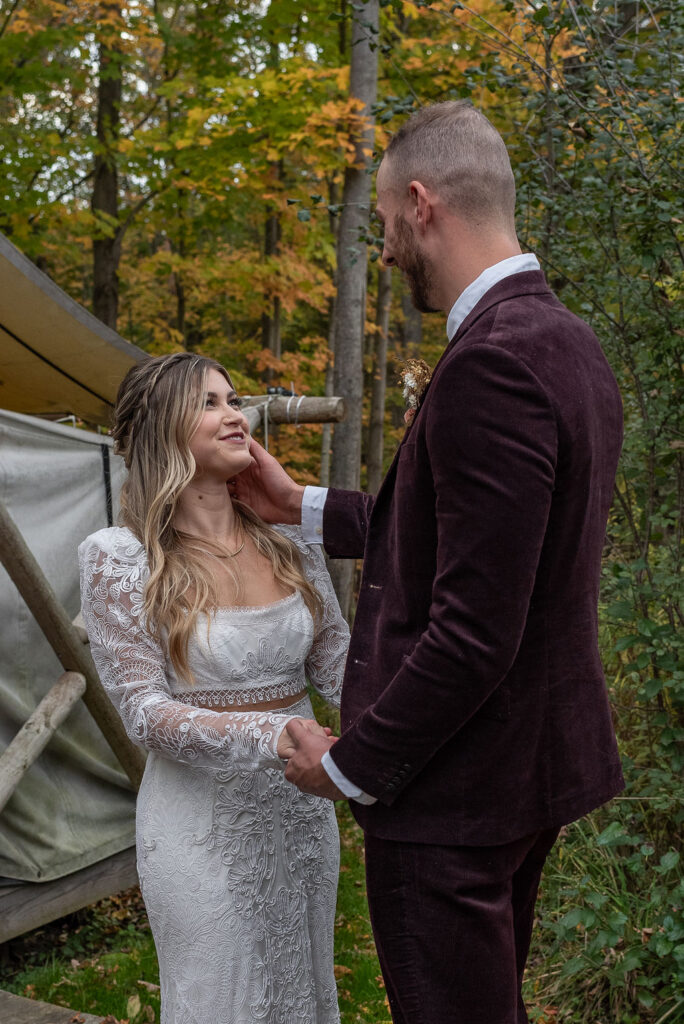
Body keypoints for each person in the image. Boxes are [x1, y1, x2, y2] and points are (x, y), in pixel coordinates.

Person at [232, 101, 624, 1024]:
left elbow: (474, 629)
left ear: (420, 204)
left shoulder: (493, 364)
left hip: (452, 795)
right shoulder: (566, 343)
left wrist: (351, 767)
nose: (388, 251)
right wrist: (303, 507)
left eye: (382, 228)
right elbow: (475, 536)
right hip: (523, 773)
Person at [78, 352, 349, 1024]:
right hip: (199, 827)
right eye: (208, 402)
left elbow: (344, 667)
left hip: (302, 817)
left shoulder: (291, 537)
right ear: (160, 430)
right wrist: (273, 733)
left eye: (233, 399)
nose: (234, 414)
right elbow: (144, 713)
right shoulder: (120, 557)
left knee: (302, 995)